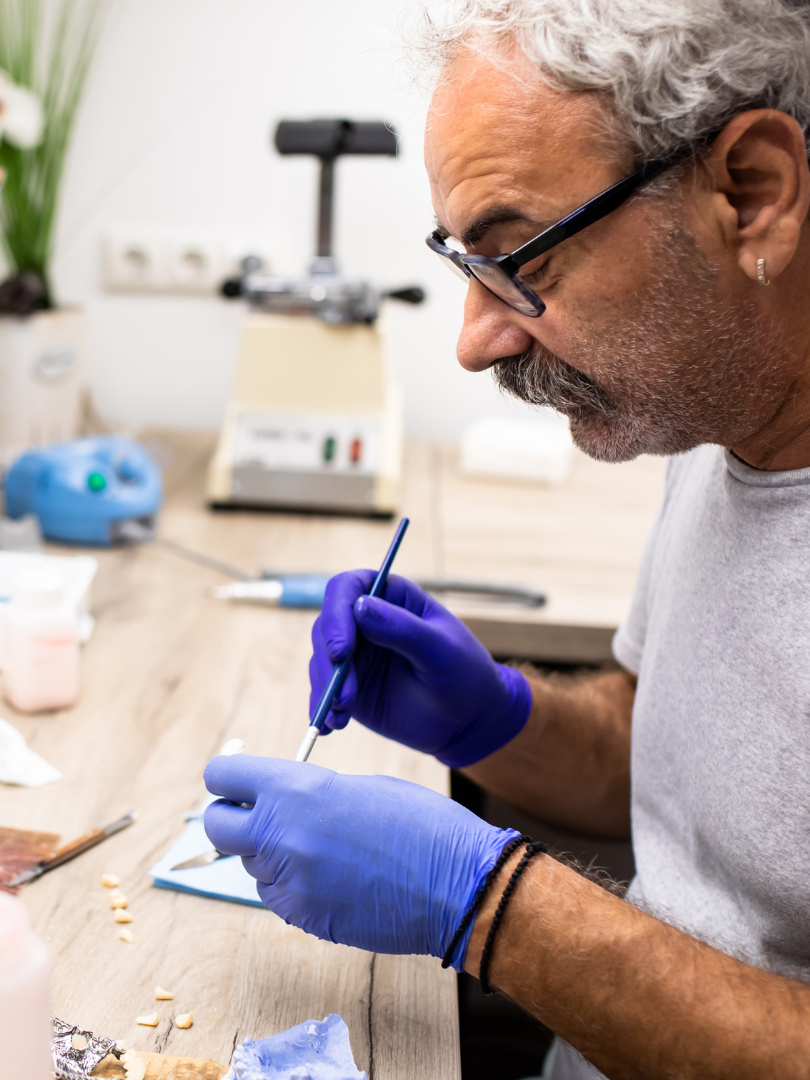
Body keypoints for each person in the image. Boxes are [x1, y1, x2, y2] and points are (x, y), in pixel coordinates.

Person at [203, 1, 810, 1076]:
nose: (476, 341)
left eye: (516, 258)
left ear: (750, 196)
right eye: (463, 264)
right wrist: (496, 719)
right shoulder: (715, 419)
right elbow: (689, 771)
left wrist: (493, 912)